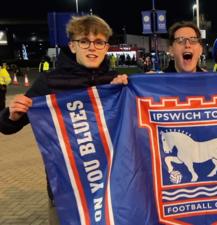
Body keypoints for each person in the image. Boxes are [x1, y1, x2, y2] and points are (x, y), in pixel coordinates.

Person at [0, 14, 127, 225]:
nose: (92, 47)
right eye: (84, 41)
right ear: (72, 46)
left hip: (111, 189)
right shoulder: (50, 82)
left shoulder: (116, 82)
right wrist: (11, 115)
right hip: (66, 191)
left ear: (106, 47)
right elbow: (7, 126)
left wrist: (124, 93)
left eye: (98, 42)